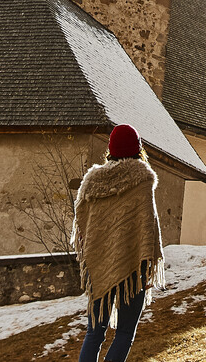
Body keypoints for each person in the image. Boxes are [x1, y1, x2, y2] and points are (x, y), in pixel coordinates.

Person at [73, 124, 164, 362]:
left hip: (98, 265)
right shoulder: (142, 180)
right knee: (124, 332)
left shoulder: (92, 182)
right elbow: (148, 226)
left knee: (94, 333)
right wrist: (147, 264)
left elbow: (82, 224)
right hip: (133, 267)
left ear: (110, 149)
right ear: (138, 149)